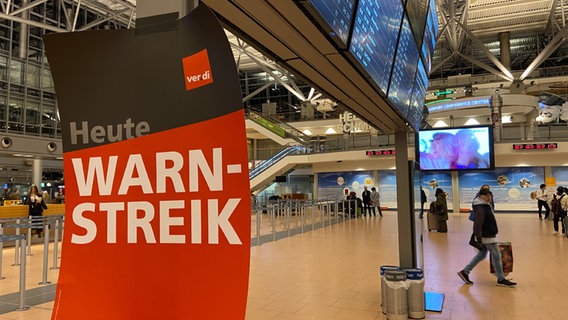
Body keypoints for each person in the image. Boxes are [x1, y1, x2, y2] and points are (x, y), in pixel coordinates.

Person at [457, 189, 517, 287]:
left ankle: (465, 272)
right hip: (487, 235)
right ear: (481, 196)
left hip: (487, 234)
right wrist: (478, 236)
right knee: (496, 255)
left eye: (490, 196)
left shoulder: (484, 206)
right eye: (488, 196)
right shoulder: (481, 207)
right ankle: (501, 279)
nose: (490, 198)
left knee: (482, 254)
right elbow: (478, 223)